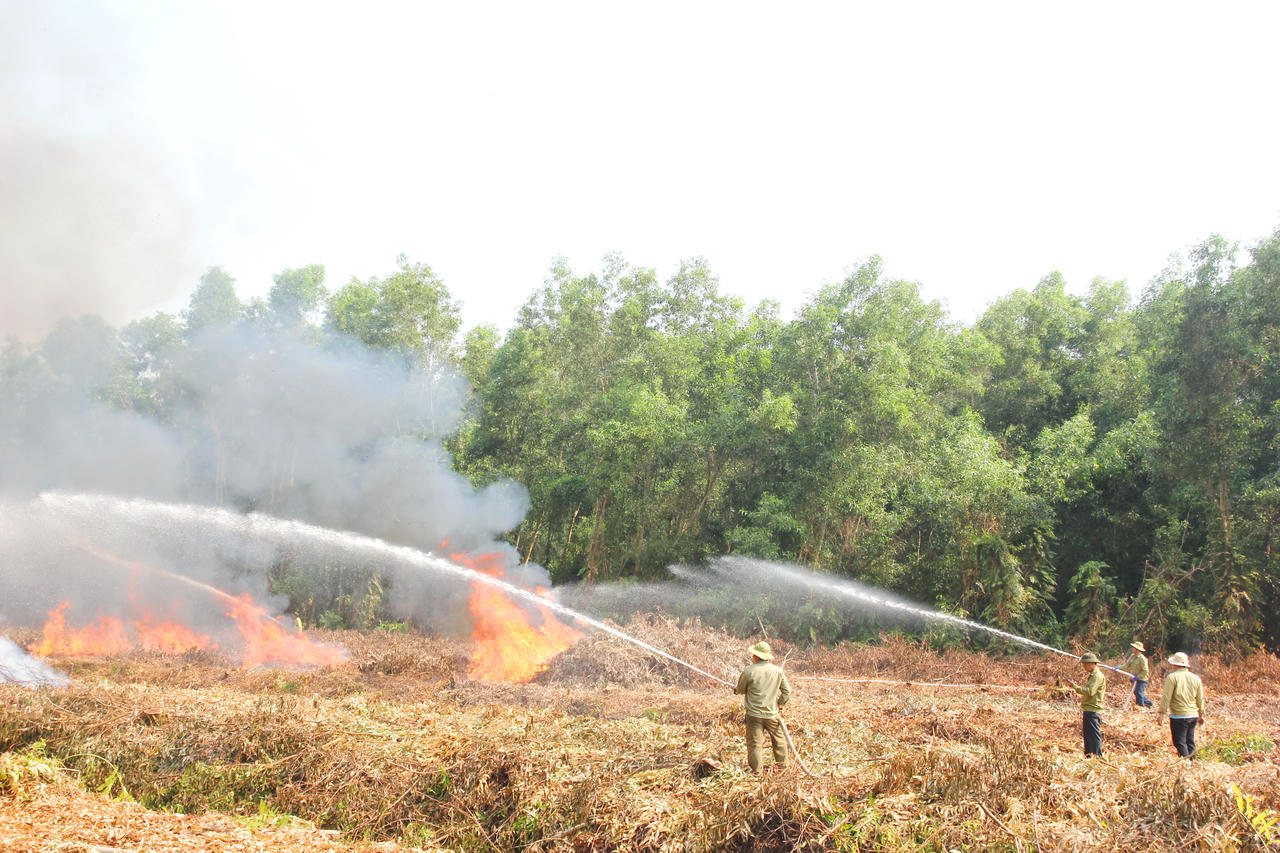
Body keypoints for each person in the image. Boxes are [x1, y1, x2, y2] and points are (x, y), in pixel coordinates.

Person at [734, 641, 792, 772]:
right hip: (772, 714)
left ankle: (757, 772)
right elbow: (787, 691)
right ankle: (783, 770)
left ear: (756, 656)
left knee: (754, 744)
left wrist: (736, 690)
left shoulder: (749, 671)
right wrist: (780, 704)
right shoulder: (778, 671)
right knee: (780, 742)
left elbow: (741, 689)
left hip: (754, 716)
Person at [1158, 651, 1206, 758]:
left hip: (1179, 716)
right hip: (1193, 715)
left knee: (1179, 742)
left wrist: (1161, 713)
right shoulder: (1196, 678)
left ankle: (1185, 764)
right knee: (1190, 741)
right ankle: (1193, 763)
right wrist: (1201, 714)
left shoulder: (1172, 677)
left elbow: (1166, 697)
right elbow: (1200, 698)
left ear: (1175, 664)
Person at [1073, 652, 1106, 756]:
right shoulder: (1093, 676)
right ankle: (1089, 755)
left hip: (1093, 710)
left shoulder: (1097, 676)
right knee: (1088, 735)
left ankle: (1097, 756)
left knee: (1094, 735)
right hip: (1089, 709)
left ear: (1091, 664)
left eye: (1085, 664)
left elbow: (1090, 691)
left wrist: (1075, 687)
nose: (1083, 667)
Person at [1120, 641, 1155, 708]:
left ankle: (1140, 706)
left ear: (1137, 649)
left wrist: (1138, 676)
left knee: (1138, 692)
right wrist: (1118, 668)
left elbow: (1145, 671)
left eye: (1134, 648)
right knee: (1137, 692)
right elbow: (1126, 665)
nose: (1133, 649)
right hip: (1135, 678)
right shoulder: (1132, 656)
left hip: (1142, 679)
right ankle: (1149, 704)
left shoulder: (1143, 659)